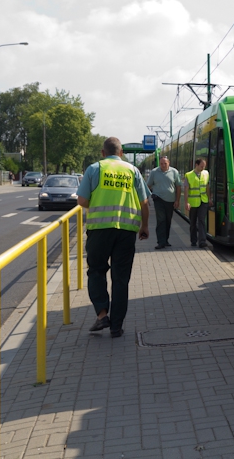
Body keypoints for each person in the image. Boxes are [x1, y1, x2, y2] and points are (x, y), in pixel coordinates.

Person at [77, 137, 150, 338]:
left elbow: (82, 200)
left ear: (103, 152)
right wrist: (144, 226)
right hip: (126, 231)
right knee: (120, 279)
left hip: (99, 230)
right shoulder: (132, 171)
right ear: (121, 153)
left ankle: (102, 315)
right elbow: (144, 203)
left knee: (96, 272)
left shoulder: (94, 169)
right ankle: (116, 326)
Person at [146, 155, 181, 249]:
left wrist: (177, 200)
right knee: (161, 220)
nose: (163, 165)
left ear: (168, 163)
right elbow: (148, 186)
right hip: (158, 199)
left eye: (165, 163)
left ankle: (165, 240)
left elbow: (178, 187)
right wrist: (146, 198)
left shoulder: (174, 172)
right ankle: (160, 242)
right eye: (161, 163)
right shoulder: (154, 172)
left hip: (170, 200)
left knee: (168, 220)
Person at [185, 158, 210, 248]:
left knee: (202, 221)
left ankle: (202, 241)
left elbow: (207, 187)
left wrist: (209, 198)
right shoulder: (188, 175)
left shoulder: (206, 173)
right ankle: (193, 240)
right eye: (201, 166)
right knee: (193, 222)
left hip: (204, 200)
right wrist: (186, 202)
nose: (203, 167)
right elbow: (186, 190)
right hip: (193, 202)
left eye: (204, 166)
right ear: (196, 165)